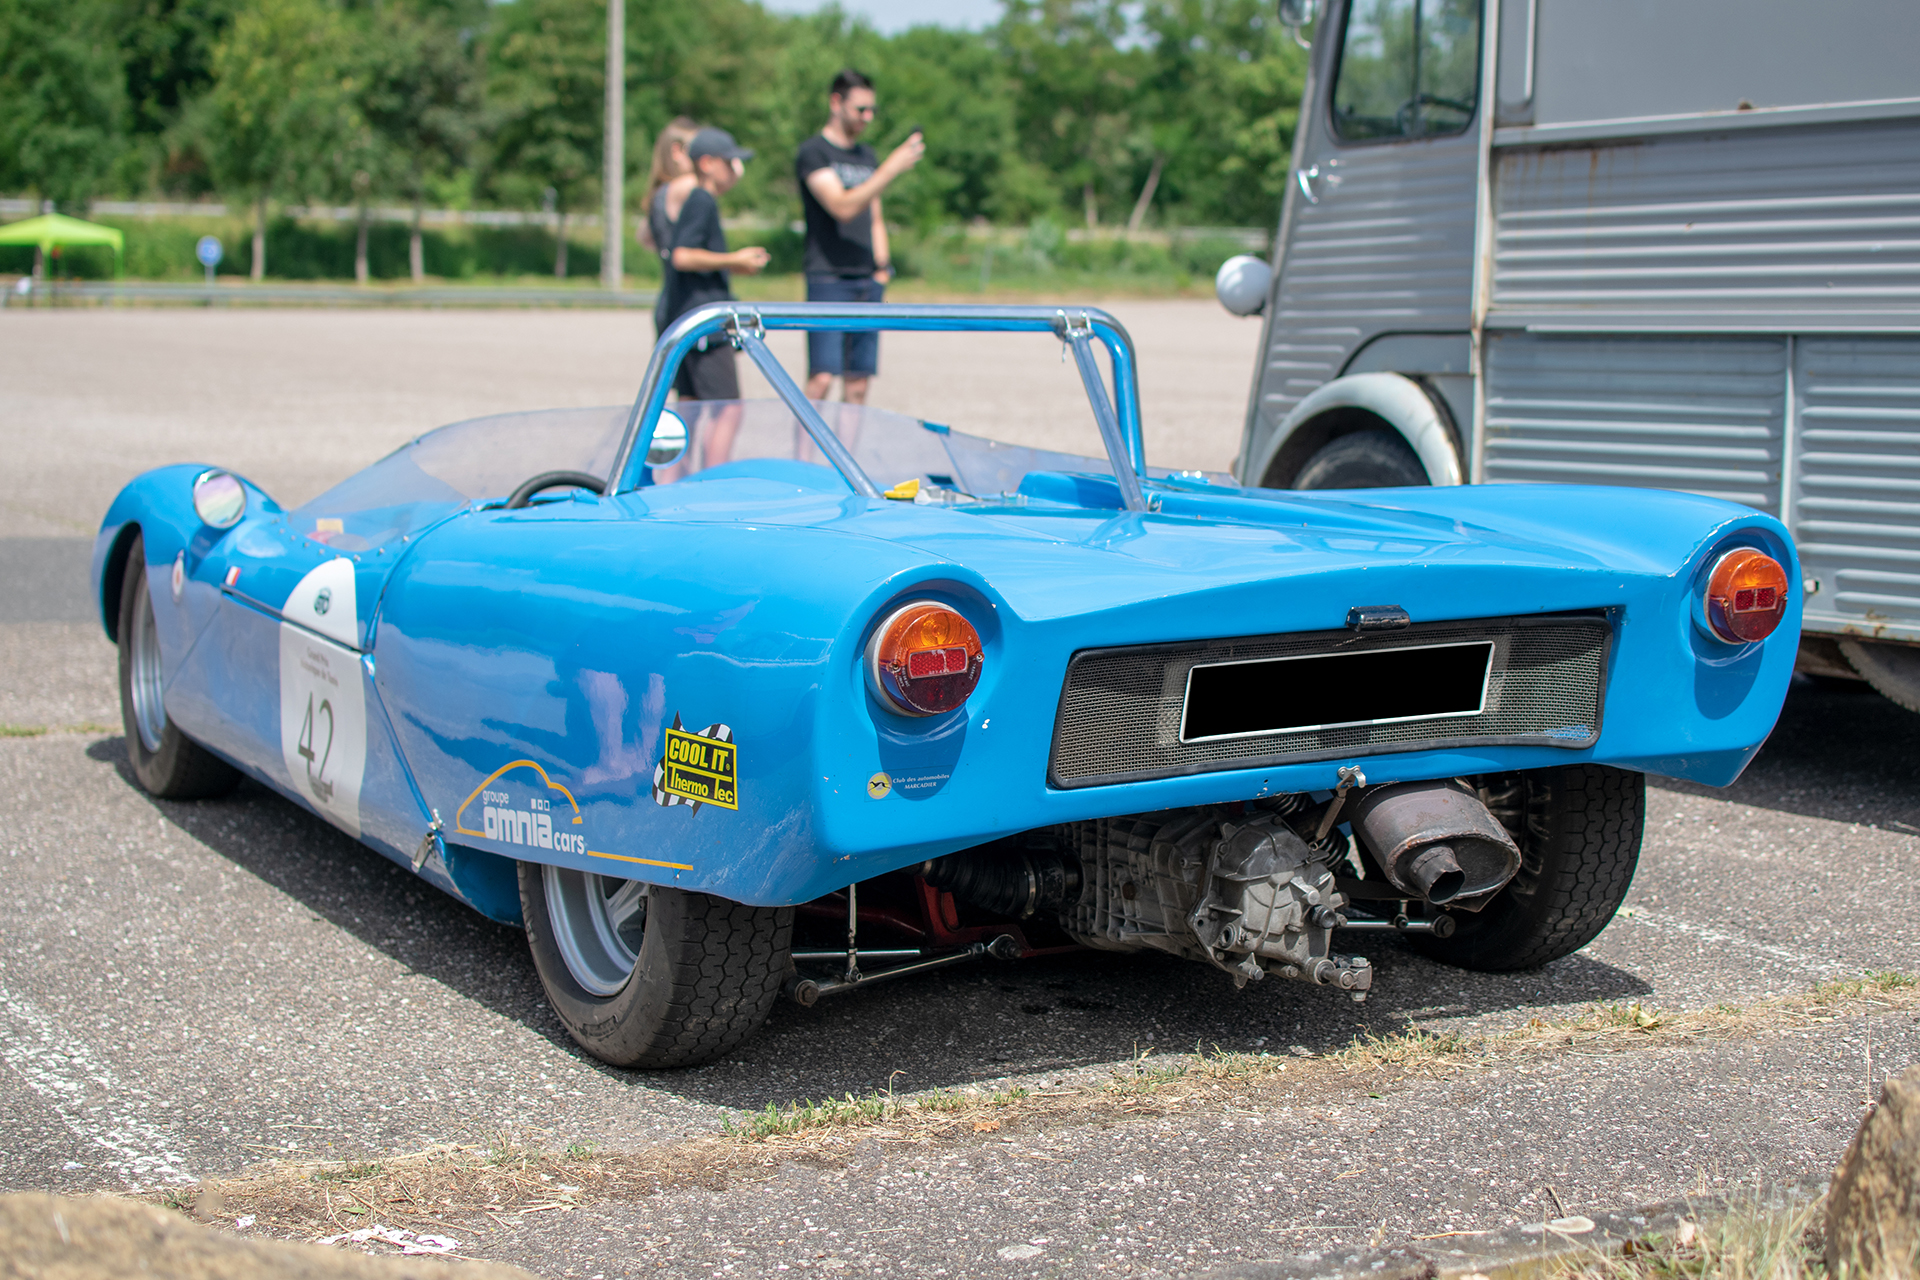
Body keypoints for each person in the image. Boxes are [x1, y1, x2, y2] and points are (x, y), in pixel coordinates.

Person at [795, 69, 924, 405]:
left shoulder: (866, 156)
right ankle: (803, 457)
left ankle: (844, 458)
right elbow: (842, 206)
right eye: (860, 110)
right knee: (821, 379)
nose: (868, 118)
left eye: (872, 111)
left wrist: (882, 268)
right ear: (836, 103)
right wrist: (891, 169)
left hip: (867, 280)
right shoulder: (814, 153)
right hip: (828, 278)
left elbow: (874, 216)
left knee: (858, 384)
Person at [660, 127, 770, 469]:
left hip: (685, 313)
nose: (735, 169)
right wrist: (733, 260)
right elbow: (682, 256)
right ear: (707, 163)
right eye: (729, 161)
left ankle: (675, 482)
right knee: (728, 409)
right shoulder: (701, 199)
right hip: (703, 318)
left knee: (690, 407)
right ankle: (712, 481)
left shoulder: (700, 199)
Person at [641, 117, 702, 341]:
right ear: (678, 152)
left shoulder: (659, 193)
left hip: (669, 303)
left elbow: (645, 238)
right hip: (686, 305)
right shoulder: (686, 186)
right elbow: (724, 178)